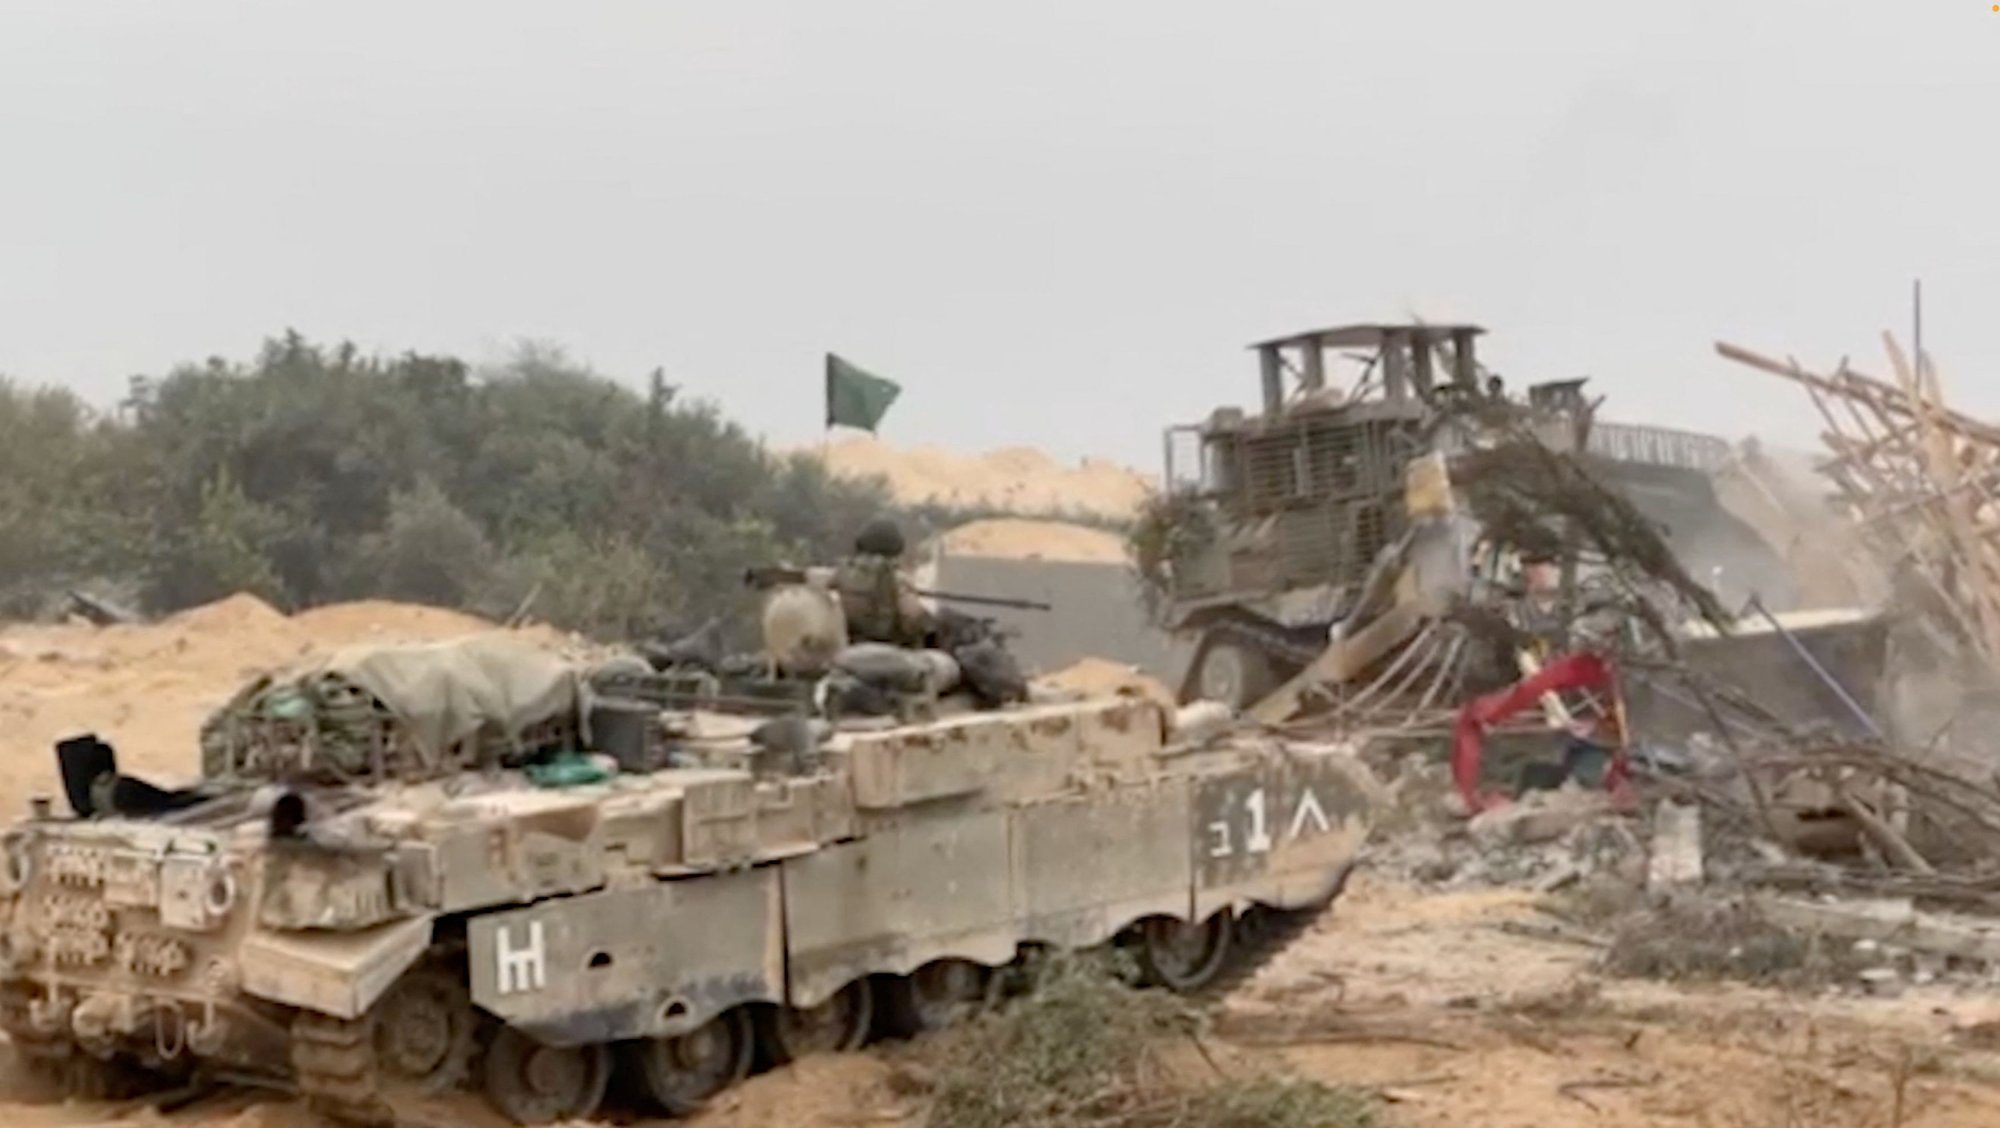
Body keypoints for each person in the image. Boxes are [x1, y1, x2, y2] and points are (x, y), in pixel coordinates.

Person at [832, 516, 934, 648]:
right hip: (889, 648)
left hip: (849, 645)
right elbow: (912, 617)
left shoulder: (843, 572)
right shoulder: (895, 577)